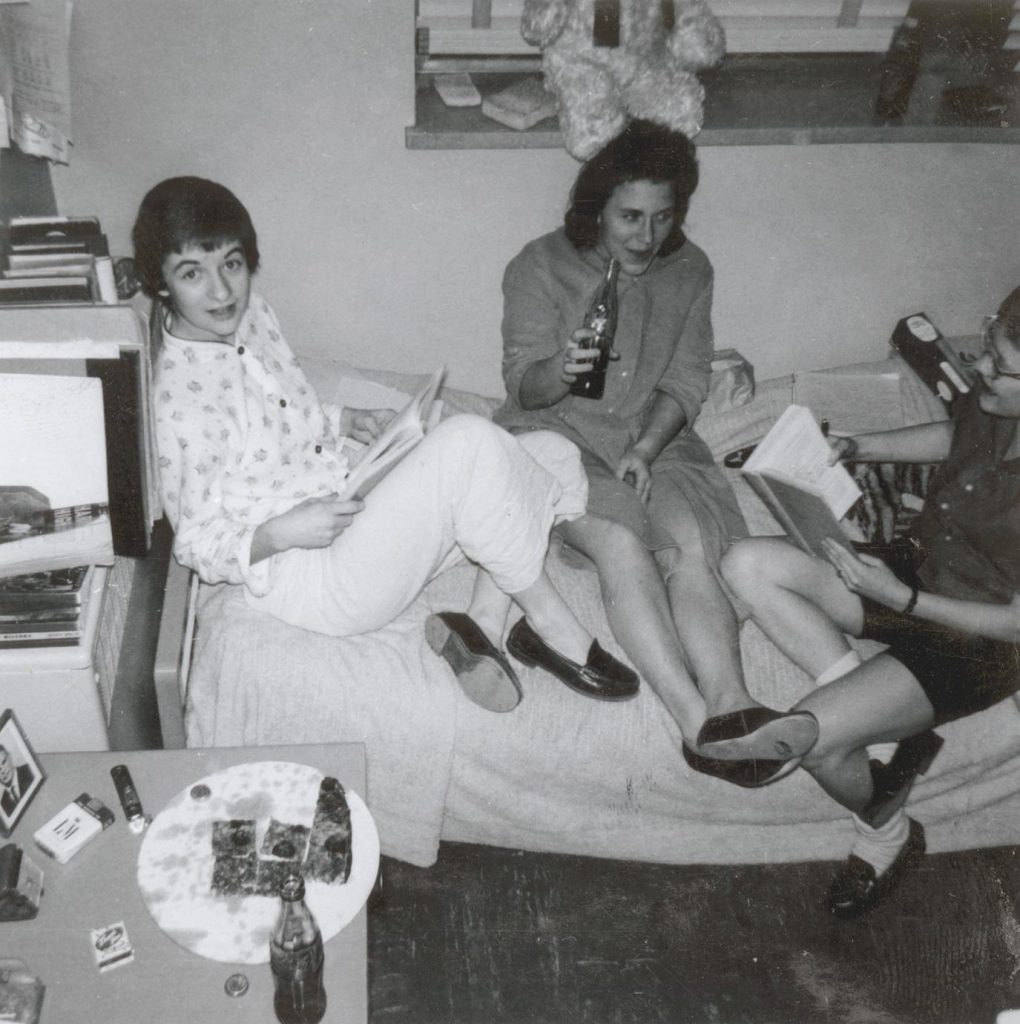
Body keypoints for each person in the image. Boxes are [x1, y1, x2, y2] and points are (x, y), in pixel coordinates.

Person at [136, 176, 635, 708]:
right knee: (470, 442)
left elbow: (283, 412)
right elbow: (195, 542)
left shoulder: (252, 315)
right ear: (161, 283)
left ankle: (484, 625)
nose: (221, 291)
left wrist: (344, 419)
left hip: (345, 495)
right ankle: (552, 624)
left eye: (231, 264)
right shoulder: (179, 406)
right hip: (315, 575)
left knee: (547, 451)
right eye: (193, 273)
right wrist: (280, 532)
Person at [484, 119, 817, 782]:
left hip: (654, 433)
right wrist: (563, 366)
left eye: (664, 218)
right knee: (624, 544)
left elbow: (687, 376)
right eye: (630, 217)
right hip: (558, 433)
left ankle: (733, 704)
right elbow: (523, 383)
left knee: (693, 543)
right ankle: (697, 728)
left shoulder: (690, 268)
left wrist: (646, 445)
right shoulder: (538, 264)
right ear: (594, 209)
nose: (647, 237)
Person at [721, 284, 1020, 916]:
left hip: (979, 643)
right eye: (987, 348)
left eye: (999, 365)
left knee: (813, 743)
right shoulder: (995, 403)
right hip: (918, 570)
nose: (979, 368)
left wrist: (902, 601)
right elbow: (954, 431)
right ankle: (883, 724)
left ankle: (887, 835)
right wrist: (859, 445)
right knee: (746, 562)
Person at [0, 743, 33, 818]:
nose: (3, 771)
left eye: (4, 762)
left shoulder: (30, 771)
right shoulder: (2, 804)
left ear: (10, 757)